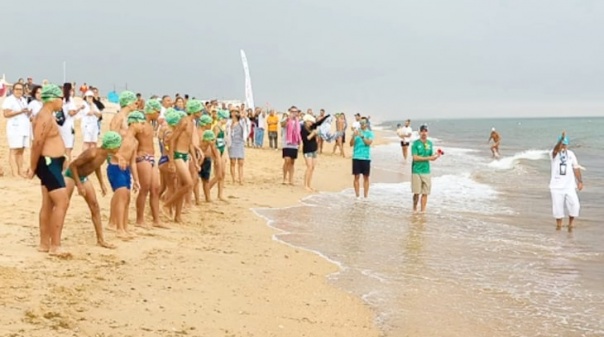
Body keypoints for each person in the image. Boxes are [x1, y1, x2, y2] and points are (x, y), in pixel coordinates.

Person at [26, 84, 71, 258]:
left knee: (48, 203)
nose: (63, 101)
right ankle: (55, 245)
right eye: (61, 98)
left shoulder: (48, 115)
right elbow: (37, 143)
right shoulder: (44, 116)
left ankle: (44, 244)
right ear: (52, 98)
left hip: (53, 162)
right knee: (62, 201)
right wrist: (33, 166)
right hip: (48, 163)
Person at [64, 132, 123, 249]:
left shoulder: (105, 154)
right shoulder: (92, 153)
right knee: (63, 205)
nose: (119, 147)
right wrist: (79, 185)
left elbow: (97, 166)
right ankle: (53, 237)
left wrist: (102, 183)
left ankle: (101, 239)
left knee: (94, 206)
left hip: (83, 177)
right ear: (111, 146)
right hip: (71, 175)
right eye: (118, 145)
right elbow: (73, 166)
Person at [163, 100, 202, 222]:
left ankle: (178, 216)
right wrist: (171, 160)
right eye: (199, 110)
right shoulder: (184, 121)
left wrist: (195, 161)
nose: (201, 112)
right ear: (194, 110)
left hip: (185, 155)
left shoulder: (192, 122)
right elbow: (172, 139)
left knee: (181, 186)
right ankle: (166, 205)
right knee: (189, 184)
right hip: (178, 155)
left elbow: (189, 143)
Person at [107, 111, 143, 239]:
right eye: (141, 123)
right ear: (133, 123)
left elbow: (133, 162)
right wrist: (119, 157)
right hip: (115, 167)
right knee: (121, 196)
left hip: (126, 170)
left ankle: (125, 227)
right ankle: (119, 228)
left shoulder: (135, 142)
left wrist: (136, 180)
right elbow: (108, 148)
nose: (143, 126)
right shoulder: (121, 136)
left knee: (127, 198)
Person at [134, 99, 165, 229]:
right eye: (157, 112)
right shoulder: (140, 123)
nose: (159, 114)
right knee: (144, 188)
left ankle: (156, 219)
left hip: (151, 157)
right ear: (152, 111)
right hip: (143, 157)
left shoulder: (150, 124)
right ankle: (139, 219)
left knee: (155, 189)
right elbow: (131, 139)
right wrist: (135, 155)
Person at [549, 131, 583, 231]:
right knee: (558, 208)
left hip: (569, 186)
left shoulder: (571, 154)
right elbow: (556, 150)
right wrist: (560, 140)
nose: (563, 146)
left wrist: (580, 181)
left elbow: (575, 168)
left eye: (565, 144)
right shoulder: (553, 153)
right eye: (562, 144)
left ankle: (570, 224)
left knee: (575, 205)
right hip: (556, 186)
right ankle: (559, 226)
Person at [2, 82, 31, 177]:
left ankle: (20, 171)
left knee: (21, 150)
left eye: (20, 89)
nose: (19, 91)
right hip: (14, 128)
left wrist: (28, 113)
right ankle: (14, 173)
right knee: (14, 150)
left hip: (24, 128)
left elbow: (25, 112)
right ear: (13, 90)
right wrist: (20, 112)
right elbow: (6, 114)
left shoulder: (23, 100)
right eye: (17, 89)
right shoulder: (9, 100)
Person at [411, 124, 440, 213]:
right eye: (422, 131)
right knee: (416, 192)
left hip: (426, 171)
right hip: (416, 170)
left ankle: (423, 211)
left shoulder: (429, 143)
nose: (424, 133)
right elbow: (415, 158)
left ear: (428, 132)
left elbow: (431, 156)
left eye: (425, 131)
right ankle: (414, 208)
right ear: (419, 132)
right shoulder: (415, 144)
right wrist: (428, 158)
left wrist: (436, 156)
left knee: (425, 193)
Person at [350, 117, 374, 199]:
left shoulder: (370, 133)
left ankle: (366, 196)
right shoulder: (356, 132)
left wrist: (362, 136)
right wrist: (353, 136)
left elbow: (368, 143)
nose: (362, 124)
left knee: (366, 177)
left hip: (366, 157)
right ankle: (357, 196)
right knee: (356, 176)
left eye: (363, 123)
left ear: (367, 123)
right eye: (361, 123)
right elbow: (351, 144)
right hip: (356, 156)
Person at [225, 107, 249, 184]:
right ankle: (233, 179)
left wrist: (244, 116)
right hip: (232, 143)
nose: (234, 113)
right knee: (232, 162)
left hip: (240, 142)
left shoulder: (242, 121)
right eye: (233, 112)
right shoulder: (228, 122)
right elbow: (226, 132)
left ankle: (241, 179)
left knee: (241, 162)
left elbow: (248, 124)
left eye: (236, 111)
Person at [199, 130, 222, 202]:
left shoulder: (211, 146)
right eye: (212, 140)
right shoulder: (200, 144)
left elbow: (216, 155)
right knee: (195, 180)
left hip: (207, 160)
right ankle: (194, 199)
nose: (213, 141)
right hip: (199, 160)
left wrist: (217, 161)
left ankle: (208, 198)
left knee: (206, 180)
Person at [282, 106, 301, 185]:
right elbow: (282, 124)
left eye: (295, 112)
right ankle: (284, 178)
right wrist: (287, 118)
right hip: (287, 143)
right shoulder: (286, 119)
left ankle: (291, 179)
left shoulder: (298, 122)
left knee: (292, 162)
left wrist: (299, 142)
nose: (294, 113)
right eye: (292, 111)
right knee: (287, 160)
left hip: (294, 144)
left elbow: (299, 132)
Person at [301, 114, 320, 192]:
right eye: (310, 122)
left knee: (312, 168)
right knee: (309, 167)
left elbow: (315, 139)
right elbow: (306, 139)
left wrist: (316, 135)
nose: (311, 123)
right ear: (306, 121)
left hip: (313, 149)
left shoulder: (311, 129)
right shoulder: (303, 129)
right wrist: (313, 133)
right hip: (307, 149)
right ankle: (305, 185)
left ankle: (309, 185)